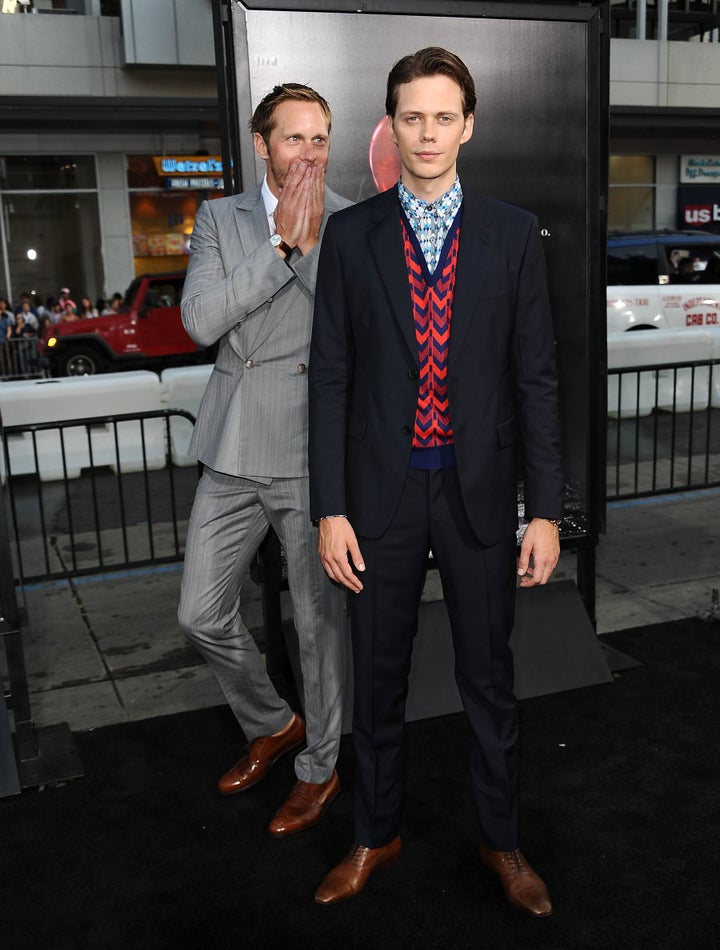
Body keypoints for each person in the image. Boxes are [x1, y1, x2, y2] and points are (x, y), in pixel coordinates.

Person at [308, 48, 564, 915]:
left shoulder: (511, 231)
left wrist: (546, 511)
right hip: (377, 500)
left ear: (468, 124)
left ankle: (502, 842)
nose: (427, 132)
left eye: (443, 116)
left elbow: (537, 380)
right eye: (412, 116)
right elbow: (331, 378)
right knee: (377, 681)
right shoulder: (351, 236)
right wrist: (330, 507)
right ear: (393, 125)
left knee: (488, 679)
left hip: (481, 495)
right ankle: (374, 834)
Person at [178, 83, 352, 837]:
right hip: (230, 441)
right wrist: (281, 241)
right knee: (199, 612)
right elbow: (200, 321)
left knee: (319, 625)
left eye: (320, 140)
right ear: (261, 144)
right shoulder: (220, 217)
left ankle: (319, 766)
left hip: (310, 448)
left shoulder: (348, 222)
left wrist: (309, 242)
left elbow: (350, 331)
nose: (308, 155)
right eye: (293, 139)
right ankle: (272, 721)